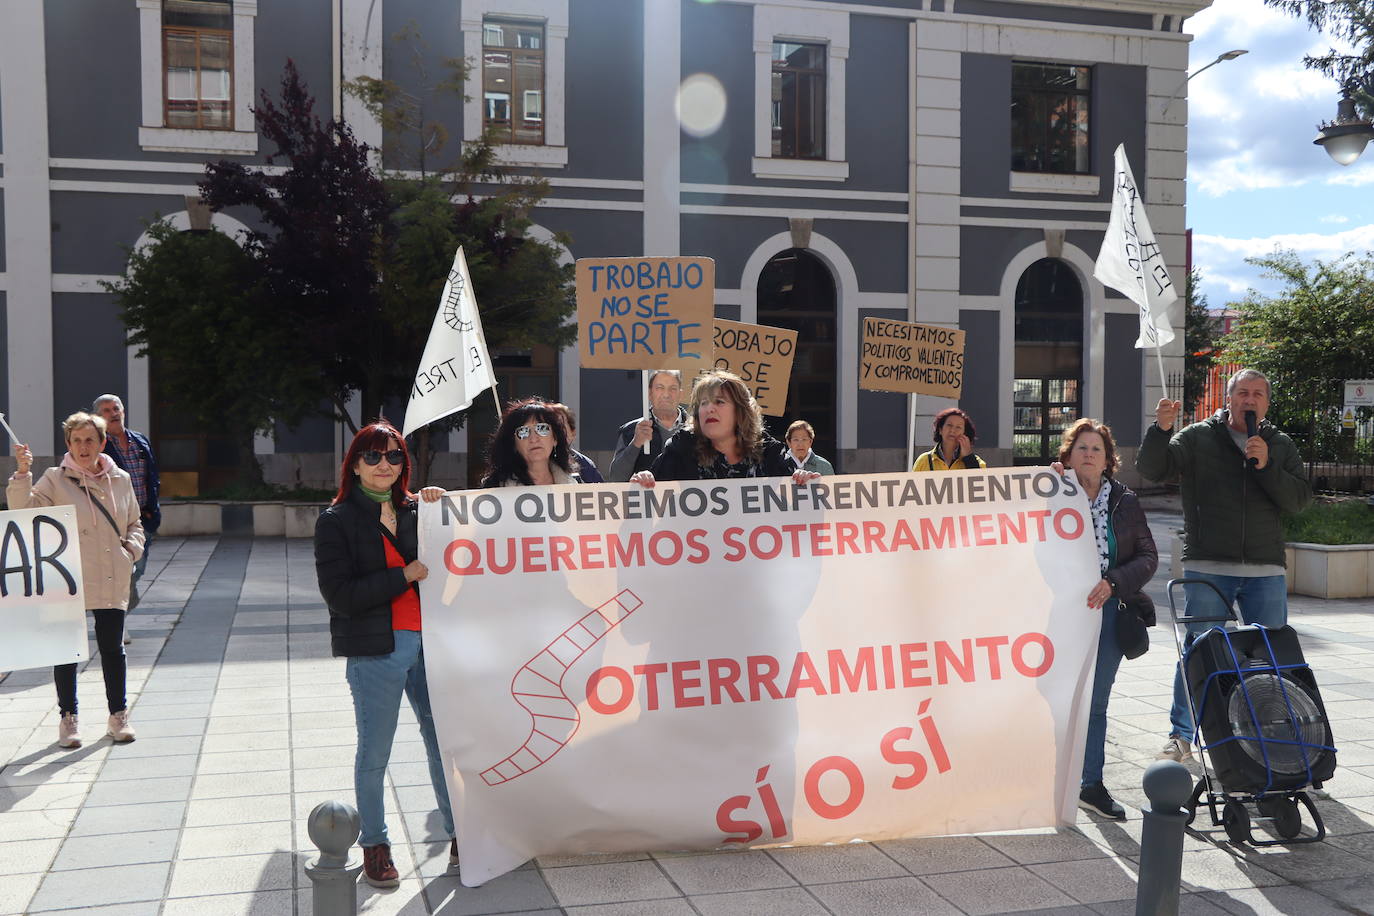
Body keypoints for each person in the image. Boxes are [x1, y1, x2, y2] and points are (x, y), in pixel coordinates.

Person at [1136, 368, 1312, 763]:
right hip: (1208, 563)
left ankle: (1272, 737)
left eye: (1257, 394)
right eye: (1242, 393)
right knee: (1200, 650)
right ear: (1228, 397)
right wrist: (1161, 430)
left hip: (1264, 569)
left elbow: (1299, 500)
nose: (1249, 400)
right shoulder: (1199, 437)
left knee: (1271, 656)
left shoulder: (1279, 444)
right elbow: (1153, 468)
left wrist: (1267, 467)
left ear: (1266, 402)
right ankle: (1181, 735)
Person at [313, 420, 455, 887]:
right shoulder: (336, 521)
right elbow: (341, 596)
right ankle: (375, 845)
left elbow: (456, 559)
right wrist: (403, 577)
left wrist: (441, 508)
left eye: (394, 456)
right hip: (377, 650)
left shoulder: (418, 510)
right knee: (376, 752)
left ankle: (461, 834)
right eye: (372, 456)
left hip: (431, 645)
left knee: (443, 744)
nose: (384, 465)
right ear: (354, 465)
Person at [9, 413, 145, 748]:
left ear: (102, 443)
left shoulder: (120, 479)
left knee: (113, 649)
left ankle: (118, 715)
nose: (83, 447)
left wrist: (132, 549)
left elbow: (134, 522)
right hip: (66, 576)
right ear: (68, 444)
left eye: (90, 440)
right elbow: (23, 510)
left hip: (110, 573)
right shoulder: (54, 479)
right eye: (76, 441)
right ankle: (68, 719)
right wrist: (23, 473)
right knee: (67, 651)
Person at [1054, 419, 1157, 820]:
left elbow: (1148, 558)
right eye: (1081, 448)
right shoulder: (1052, 492)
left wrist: (1114, 583)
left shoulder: (1125, 502)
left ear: (1108, 458)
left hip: (1109, 613)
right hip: (1062, 614)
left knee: (1095, 702)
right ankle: (1051, 776)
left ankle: (1090, 784)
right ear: (1068, 454)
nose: (1089, 455)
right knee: (1056, 697)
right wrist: (1040, 485)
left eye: (1096, 449)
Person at [631, 370, 819, 484]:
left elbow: (794, 510)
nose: (709, 409)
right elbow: (652, 507)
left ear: (740, 411)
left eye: (719, 402)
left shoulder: (770, 454)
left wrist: (801, 482)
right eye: (703, 403)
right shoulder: (679, 451)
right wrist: (645, 481)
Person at [95, 394, 159, 644]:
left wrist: (153, 507)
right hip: (116, 521)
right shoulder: (99, 446)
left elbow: (152, 476)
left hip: (144, 518)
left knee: (137, 569)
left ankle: (118, 612)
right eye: (106, 410)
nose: (113, 413)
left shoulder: (139, 440)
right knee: (124, 570)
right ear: (98, 417)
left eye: (116, 408)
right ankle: (118, 621)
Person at [482, 399, 584, 487]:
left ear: (555, 439)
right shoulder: (495, 486)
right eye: (523, 431)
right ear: (513, 444)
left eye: (542, 428)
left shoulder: (574, 485)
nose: (534, 439)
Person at [608, 370, 687, 482]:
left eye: (673, 389)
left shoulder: (696, 429)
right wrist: (636, 443)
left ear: (681, 394)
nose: (666, 394)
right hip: (649, 498)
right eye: (660, 388)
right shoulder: (631, 431)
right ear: (650, 394)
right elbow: (616, 478)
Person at [913, 407, 986, 472]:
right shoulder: (924, 460)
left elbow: (982, 484)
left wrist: (968, 458)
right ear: (940, 430)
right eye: (949, 425)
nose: (952, 430)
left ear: (965, 433)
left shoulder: (978, 463)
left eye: (958, 427)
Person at [549, 402, 603, 483]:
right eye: (548, 428)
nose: (555, 433)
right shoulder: (533, 462)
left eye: (560, 426)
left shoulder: (586, 464)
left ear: (573, 433)